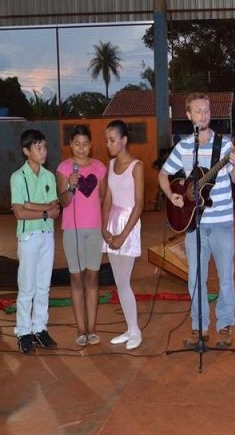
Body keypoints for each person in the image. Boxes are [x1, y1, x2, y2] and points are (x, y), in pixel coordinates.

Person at [158, 92, 235, 348]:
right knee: (195, 278)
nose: (204, 115)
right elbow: (163, 174)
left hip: (222, 223)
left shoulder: (225, 145)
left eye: (206, 110)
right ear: (189, 115)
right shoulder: (184, 147)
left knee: (226, 276)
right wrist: (172, 195)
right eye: (198, 111)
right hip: (193, 223)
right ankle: (199, 328)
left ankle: (225, 325)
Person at [10, 129, 60, 354]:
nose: (43, 151)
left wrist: (31, 205)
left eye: (44, 147)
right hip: (28, 237)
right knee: (27, 286)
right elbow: (19, 213)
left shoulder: (49, 176)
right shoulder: (17, 177)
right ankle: (23, 331)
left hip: (47, 236)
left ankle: (40, 327)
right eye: (38, 148)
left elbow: (56, 209)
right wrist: (44, 211)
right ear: (26, 151)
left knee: (44, 286)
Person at [56, 125, 107, 347]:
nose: (81, 148)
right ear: (70, 145)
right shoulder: (64, 168)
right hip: (72, 231)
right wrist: (70, 187)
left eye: (85, 144)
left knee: (92, 277)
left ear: (91, 145)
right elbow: (64, 202)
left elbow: (104, 197)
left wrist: (106, 227)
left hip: (94, 229)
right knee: (76, 279)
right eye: (76, 143)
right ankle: (80, 329)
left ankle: (92, 329)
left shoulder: (99, 167)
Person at [102, 120, 145, 350]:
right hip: (112, 223)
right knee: (119, 282)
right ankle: (130, 329)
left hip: (128, 224)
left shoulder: (136, 166)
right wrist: (104, 226)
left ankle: (135, 331)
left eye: (112, 139)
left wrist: (122, 235)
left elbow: (139, 205)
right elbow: (108, 199)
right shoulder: (110, 165)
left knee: (124, 281)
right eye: (107, 140)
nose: (108, 144)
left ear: (124, 140)